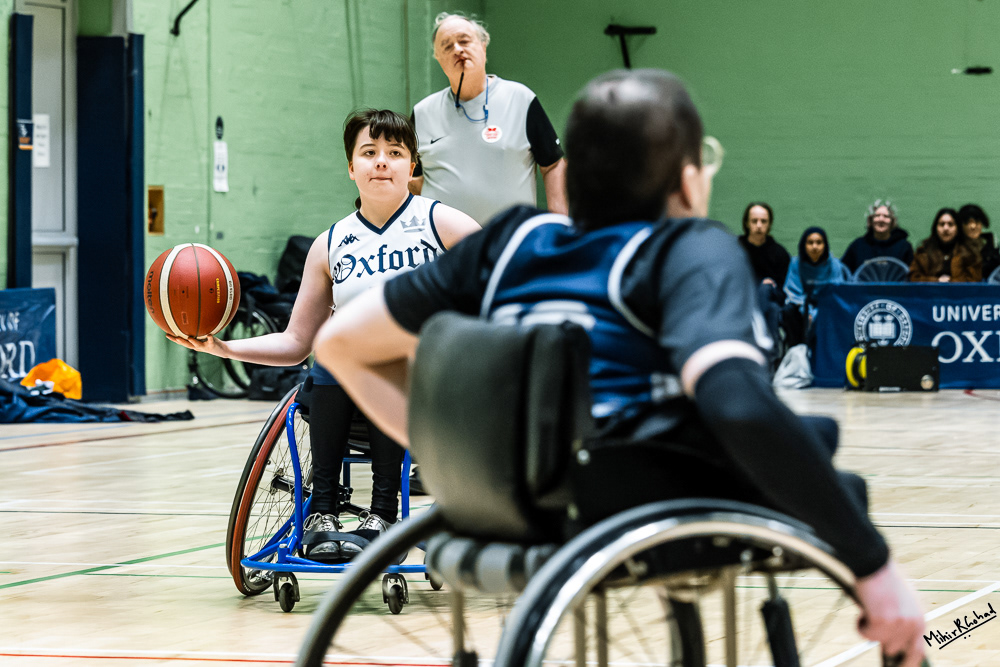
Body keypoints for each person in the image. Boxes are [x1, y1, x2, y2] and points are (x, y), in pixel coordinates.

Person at [314, 69, 925, 666]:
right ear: (688, 179)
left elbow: (338, 344)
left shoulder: (512, 241)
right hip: (618, 499)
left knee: (809, 439)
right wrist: (874, 567)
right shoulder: (689, 247)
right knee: (818, 462)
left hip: (503, 496)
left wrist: (448, 451)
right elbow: (737, 404)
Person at [168, 108, 479, 559]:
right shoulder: (330, 244)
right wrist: (222, 346)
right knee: (331, 355)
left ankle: (383, 513)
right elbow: (297, 343)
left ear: (412, 167)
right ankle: (322, 513)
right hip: (347, 394)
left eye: (394, 153)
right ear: (351, 167)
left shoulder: (444, 224)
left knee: (390, 356)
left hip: (429, 392)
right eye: (369, 152)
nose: (381, 161)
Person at [408, 12, 567, 225]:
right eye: (447, 46)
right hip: (443, 242)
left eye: (464, 40)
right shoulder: (422, 113)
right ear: (439, 59)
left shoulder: (520, 99)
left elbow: (553, 164)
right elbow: (413, 180)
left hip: (510, 238)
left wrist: (559, 223)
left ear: (483, 46)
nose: (457, 49)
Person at [783, 226, 851, 341]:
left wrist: (816, 313)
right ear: (804, 245)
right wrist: (807, 311)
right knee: (788, 311)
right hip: (802, 304)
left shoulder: (834, 265)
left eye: (819, 242)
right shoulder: (795, 263)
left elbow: (836, 292)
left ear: (825, 245)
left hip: (826, 305)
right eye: (810, 243)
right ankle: (796, 347)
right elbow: (793, 292)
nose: (815, 247)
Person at [840, 200, 914, 274]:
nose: (881, 219)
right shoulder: (858, 245)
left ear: (892, 221)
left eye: (886, 216)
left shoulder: (904, 247)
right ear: (871, 220)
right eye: (877, 216)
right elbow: (843, 272)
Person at [909, 208, 982, 283]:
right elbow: (914, 277)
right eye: (942, 224)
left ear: (957, 228)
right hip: (930, 290)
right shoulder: (924, 252)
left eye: (950, 224)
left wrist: (950, 282)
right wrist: (937, 281)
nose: (946, 228)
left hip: (959, 290)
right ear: (935, 228)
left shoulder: (969, 253)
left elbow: (974, 280)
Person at [737, 202, 790, 288]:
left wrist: (772, 285)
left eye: (763, 221)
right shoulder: (735, 249)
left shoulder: (779, 253)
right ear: (747, 223)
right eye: (754, 221)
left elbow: (785, 287)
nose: (759, 225)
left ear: (769, 224)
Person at [957, 203, 999, 281]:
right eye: (967, 222)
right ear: (960, 225)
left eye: (977, 221)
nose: (973, 226)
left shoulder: (992, 244)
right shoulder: (955, 247)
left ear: (982, 223)